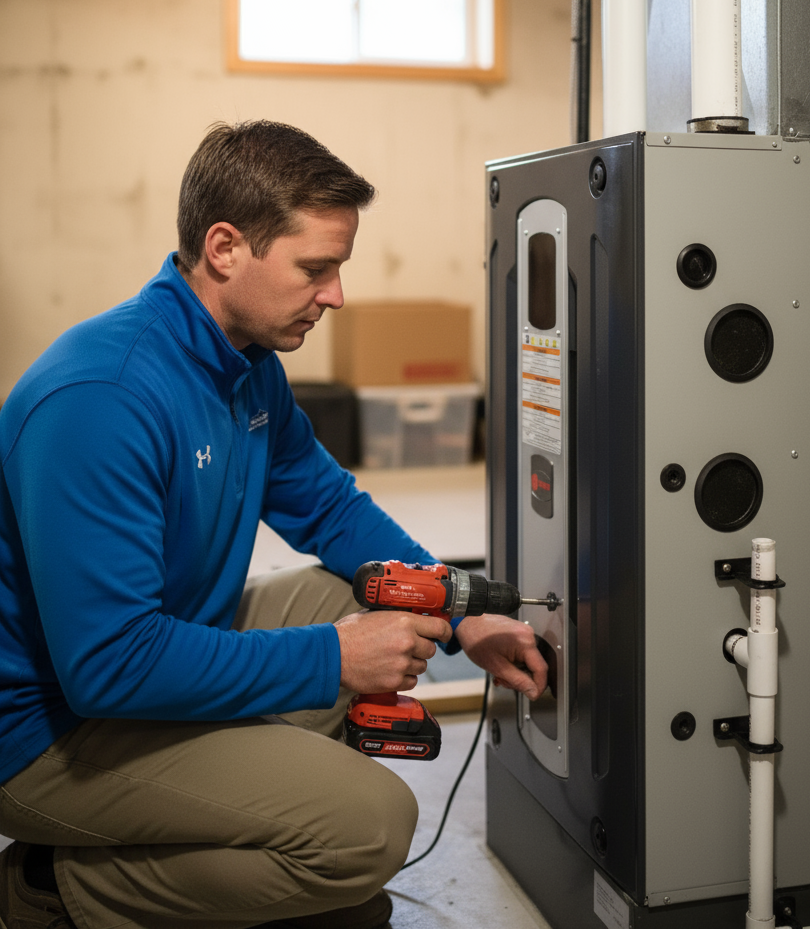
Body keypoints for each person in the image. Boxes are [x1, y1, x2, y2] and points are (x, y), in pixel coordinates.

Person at [0, 121, 547, 929]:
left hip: (155, 653)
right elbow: (109, 667)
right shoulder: (102, 399)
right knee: (370, 829)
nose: (335, 295)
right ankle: (54, 890)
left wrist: (465, 613)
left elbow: (330, 509)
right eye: (315, 268)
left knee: (350, 594)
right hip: (48, 732)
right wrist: (332, 658)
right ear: (224, 248)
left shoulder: (246, 366)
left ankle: (244, 833)